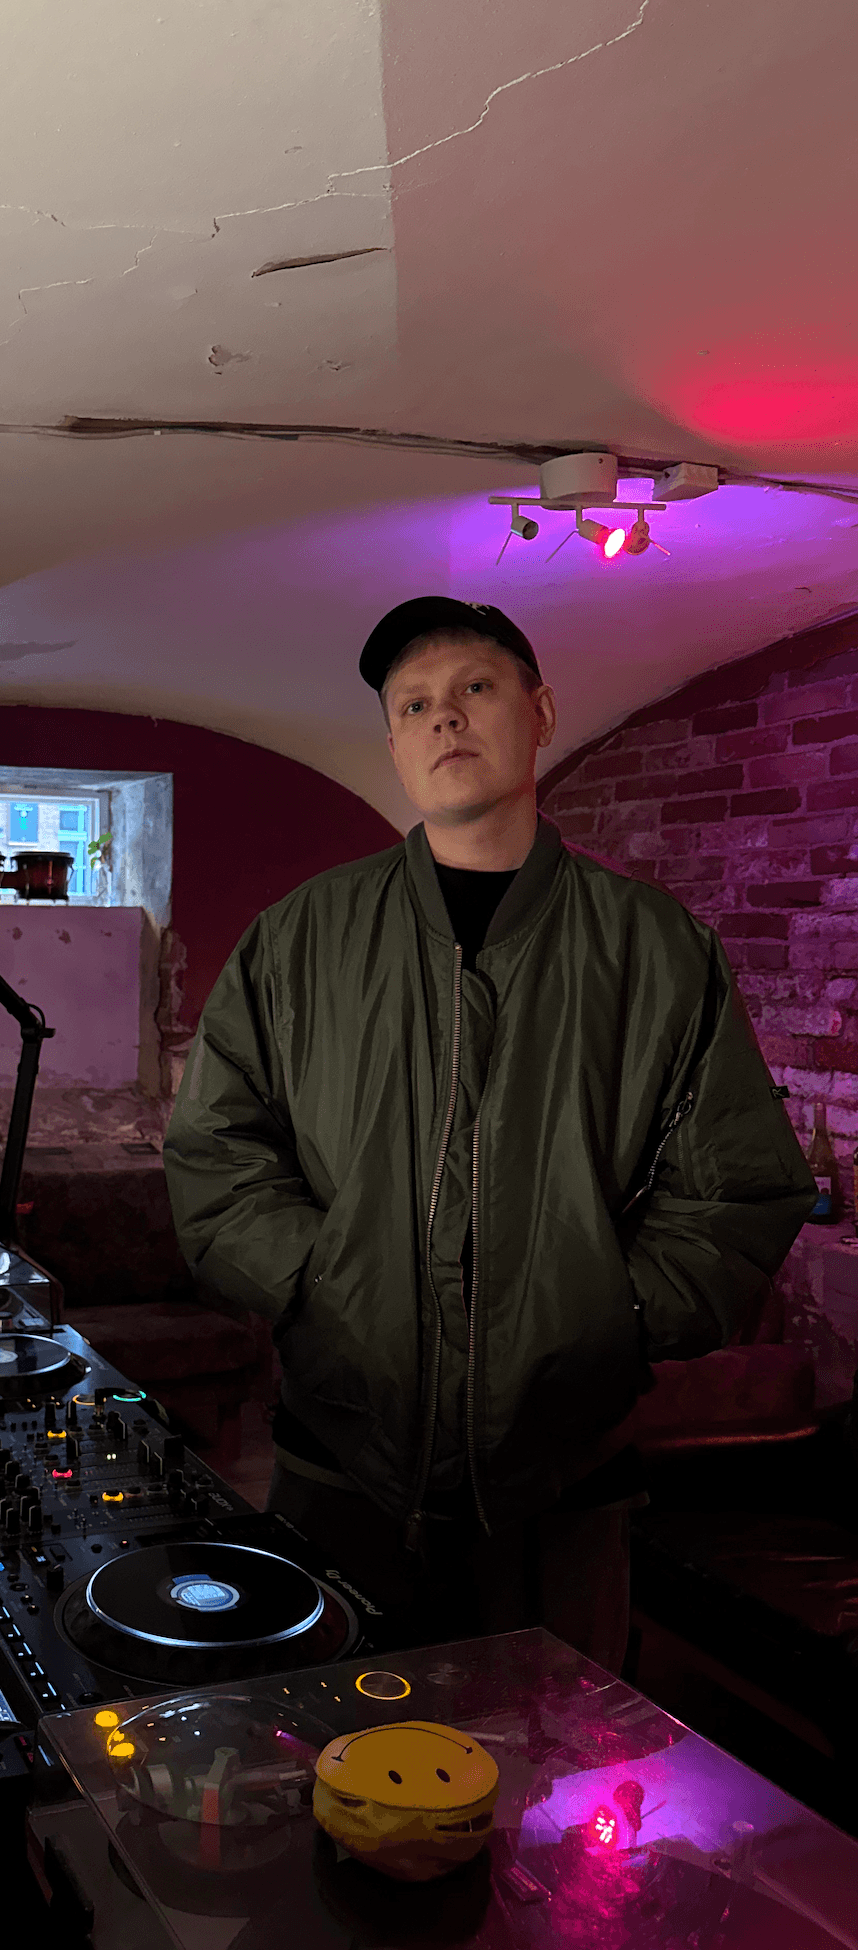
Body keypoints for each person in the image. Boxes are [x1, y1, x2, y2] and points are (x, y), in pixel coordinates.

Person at [162, 597, 814, 1670]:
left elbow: (735, 1191)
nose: (444, 719)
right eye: (412, 704)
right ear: (393, 745)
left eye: (473, 687)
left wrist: (612, 1311)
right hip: (341, 1468)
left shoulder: (655, 949)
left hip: (565, 1486)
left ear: (539, 712)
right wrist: (325, 1281)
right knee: (332, 1747)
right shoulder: (299, 940)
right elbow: (215, 1155)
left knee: (557, 1763)